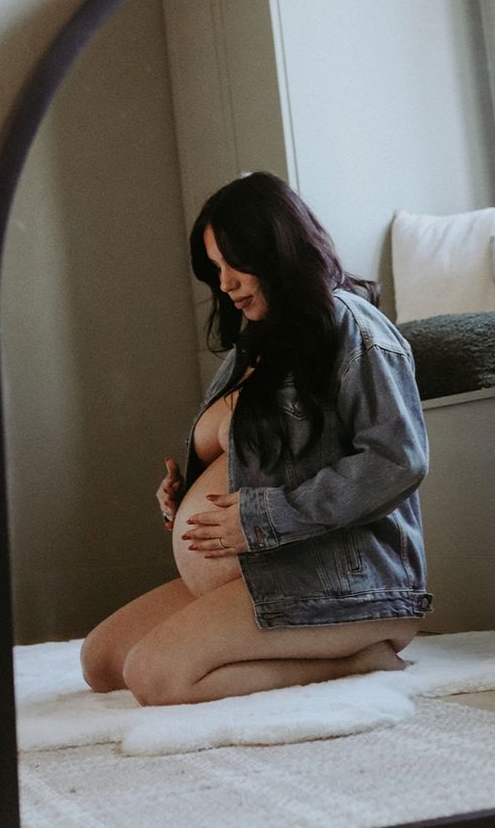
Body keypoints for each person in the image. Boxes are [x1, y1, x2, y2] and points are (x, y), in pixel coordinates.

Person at [81, 172, 433, 705]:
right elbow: (255, 462)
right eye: (215, 268)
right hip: (257, 573)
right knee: (102, 661)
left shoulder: (352, 327)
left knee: (158, 676)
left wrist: (259, 518)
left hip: (342, 578)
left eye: (234, 261)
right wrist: (186, 496)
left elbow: (397, 461)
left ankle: (357, 657)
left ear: (278, 248)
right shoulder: (252, 352)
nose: (224, 283)